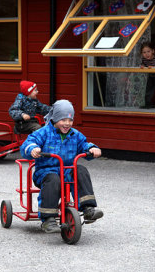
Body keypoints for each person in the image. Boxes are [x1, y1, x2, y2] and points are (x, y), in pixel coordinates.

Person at [20, 100, 103, 233]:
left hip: (66, 171)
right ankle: (48, 219)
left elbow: (84, 145)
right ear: (55, 118)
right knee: (53, 179)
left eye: (70, 120)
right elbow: (28, 143)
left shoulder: (74, 135)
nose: (67, 123)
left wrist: (92, 149)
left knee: (80, 170)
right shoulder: (44, 132)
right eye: (63, 119)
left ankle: (88, 208)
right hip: (45, 172)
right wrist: (33, 148)